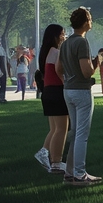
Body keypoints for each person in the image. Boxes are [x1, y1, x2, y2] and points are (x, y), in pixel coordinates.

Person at [59, 6, 103, 185]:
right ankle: (79, 173)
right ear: (85, 22)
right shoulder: (81, 42)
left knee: (75, 132)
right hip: (81, 90)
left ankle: (70, 172)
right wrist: (98, 61)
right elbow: (87, 72)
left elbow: (59, 68)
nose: (91, 21)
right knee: (82, 134)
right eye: (90, 19)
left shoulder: (65, 43)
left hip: (68, 90)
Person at [35, 24, 69, 174]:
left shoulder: (46, 52)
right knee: (62, 129)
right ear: (55, 36)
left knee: (55, 128)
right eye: (62, 34)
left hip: (48, 93)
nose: (64, 36)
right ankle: (56, 161)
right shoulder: (56, 52)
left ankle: (44, 152)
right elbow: (60, 72)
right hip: (57, 92)